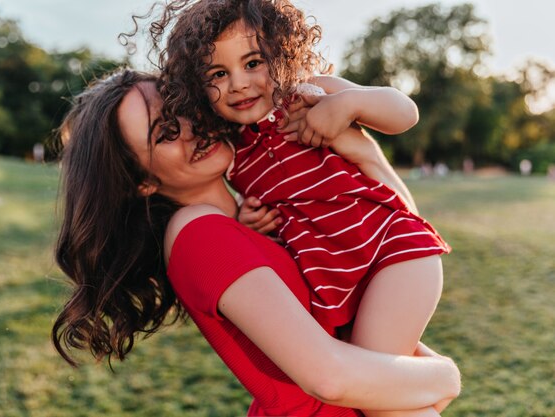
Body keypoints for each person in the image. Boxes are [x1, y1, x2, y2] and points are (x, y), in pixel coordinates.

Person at [52, 68, 460, 416]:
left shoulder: (260, 217)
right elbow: (330, 377)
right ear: (142, 181)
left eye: (181, 109)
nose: (190, 130)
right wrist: (444, 375)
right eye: (165, 133)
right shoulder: (198, 235)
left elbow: (397, 236)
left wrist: (366, 156)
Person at [150, 2, 452, 415]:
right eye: (218, 74)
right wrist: (248, 219)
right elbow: (252, 225)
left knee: (380, 392)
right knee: (382, 389)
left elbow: (404, 112)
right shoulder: (232, 152)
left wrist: (349, 106)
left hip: (391, 251)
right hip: (332, 275)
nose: (239, 83)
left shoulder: (310, 93)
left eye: (253, 61)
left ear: (282, 52)